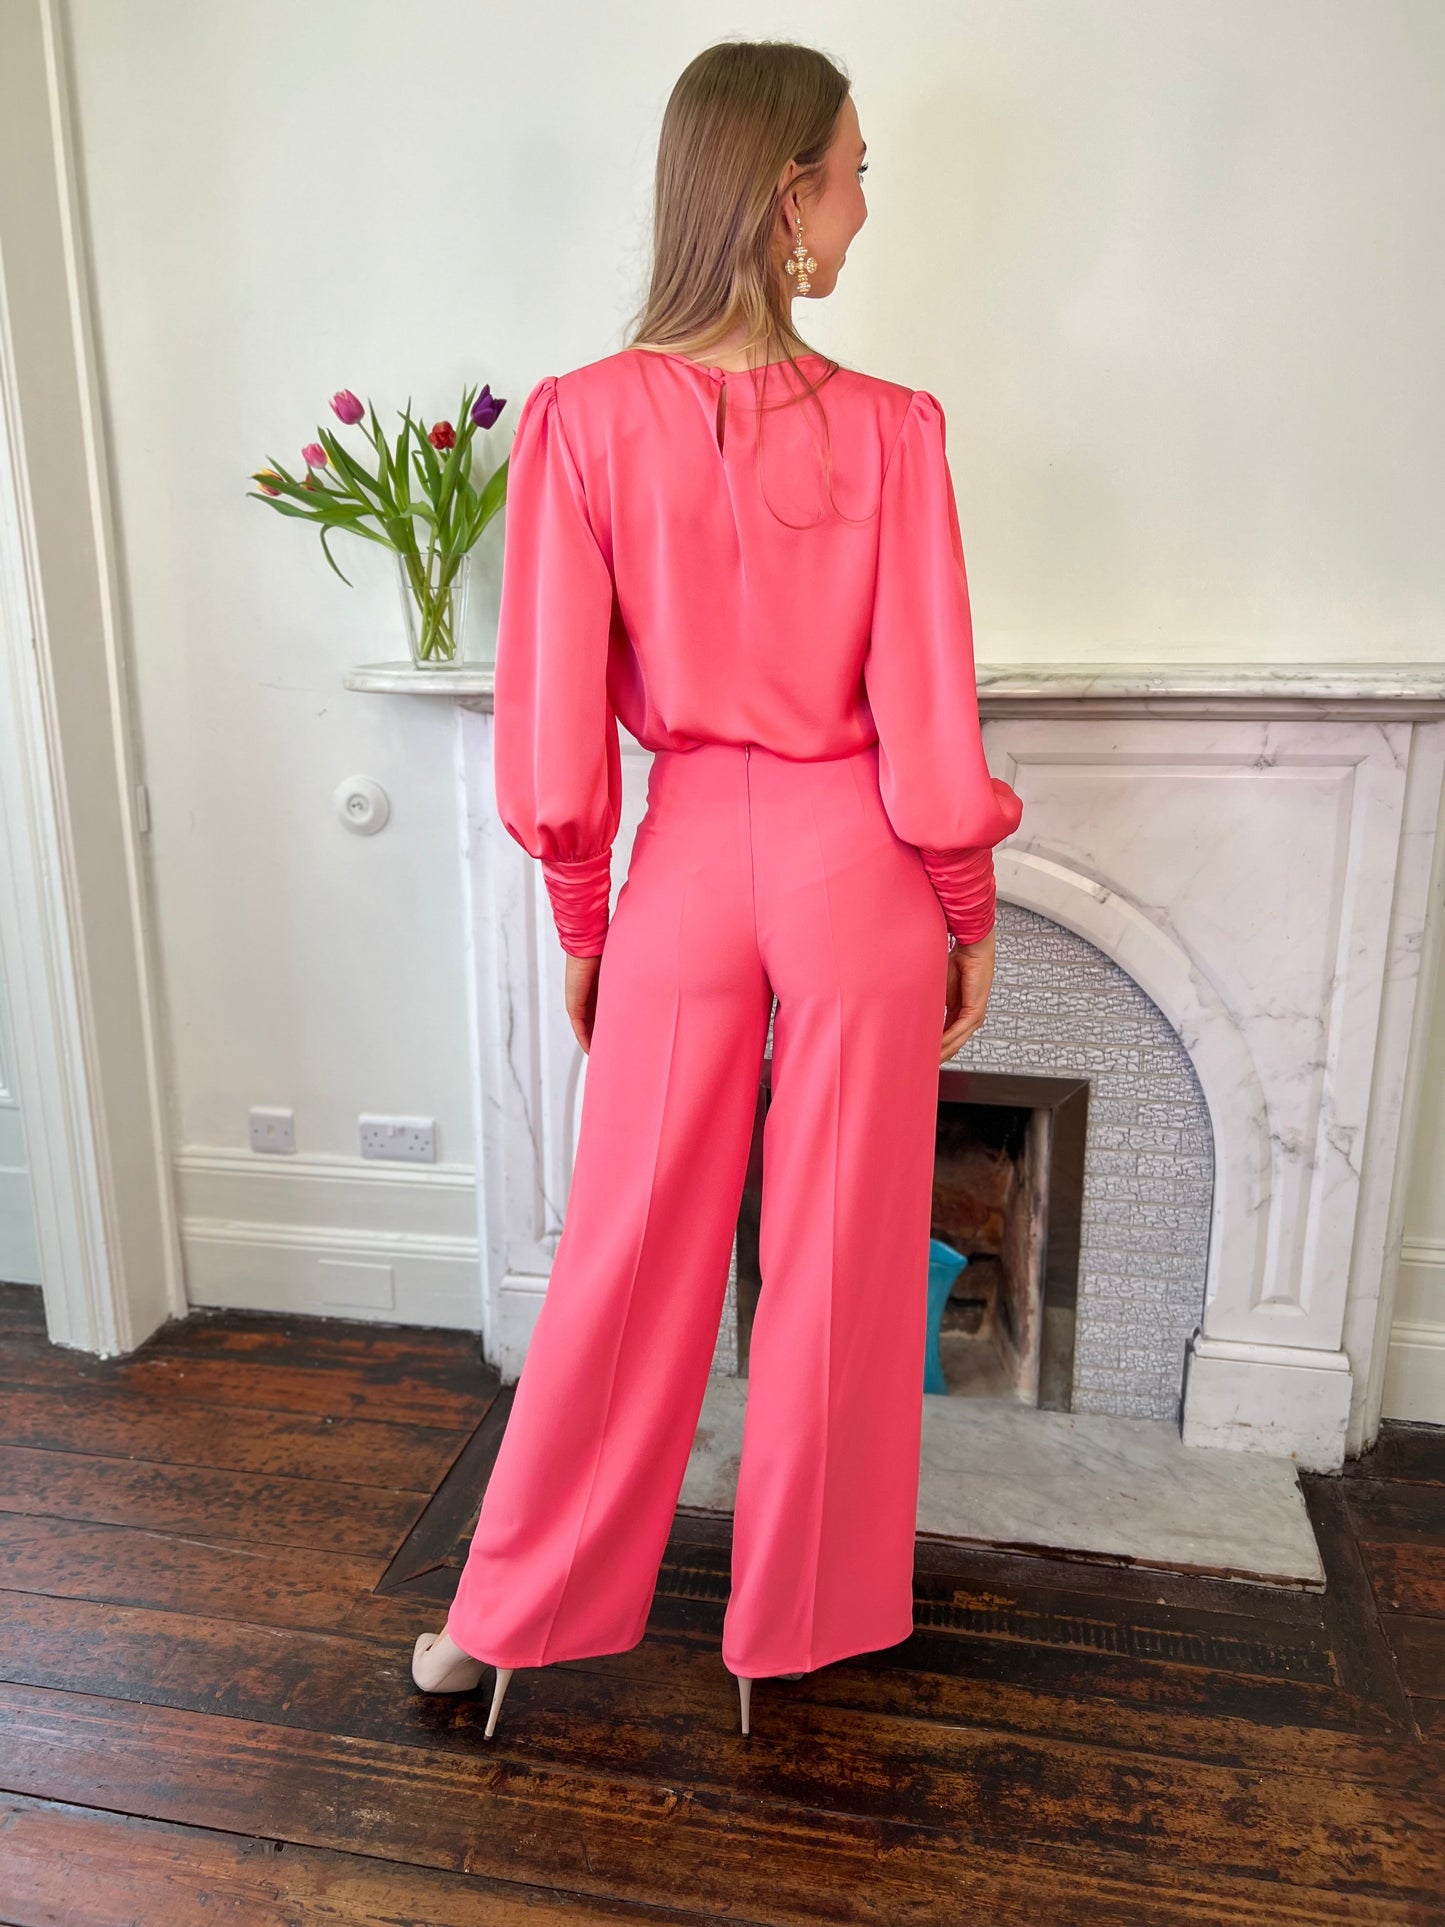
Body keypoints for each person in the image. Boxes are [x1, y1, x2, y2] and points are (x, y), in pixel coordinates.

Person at [411, 38, 1023, 1738]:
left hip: (685, 855)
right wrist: (962, 906)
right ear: (783, 197)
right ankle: (794, 1622)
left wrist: (588, 922)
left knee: (620, 1256)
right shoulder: (895, 433)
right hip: (855, 870)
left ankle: (508, 1614)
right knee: (839, 1254)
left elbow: (548, 736)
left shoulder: (580, 424)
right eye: (850, 169)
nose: (861, 202)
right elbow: (926, 715)